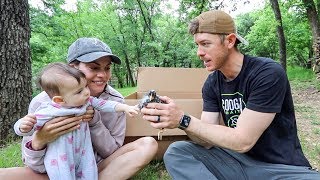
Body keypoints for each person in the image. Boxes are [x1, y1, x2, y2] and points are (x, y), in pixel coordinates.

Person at [141, 10, 320, 179]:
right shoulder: (212, 83)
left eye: (205, 44)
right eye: (197, 45)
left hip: (280, 169)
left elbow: (243, 141)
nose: (199, 53)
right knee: (177, 151)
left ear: (230, 41)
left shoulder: (267, 73)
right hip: (236, 163)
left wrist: (183, 119)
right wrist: (175, 120)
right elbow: (206, 141)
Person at [0, 37, 158, 180]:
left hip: (95, 168)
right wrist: (39, 140)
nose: (103, 75)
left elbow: (112, 152)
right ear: (73, 68)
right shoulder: (43, 102)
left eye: (107, 68)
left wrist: (94, 122)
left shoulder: (115, 100)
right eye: (94, 68)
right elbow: (33, 164)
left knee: (148, 145)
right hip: (55, 169)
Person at [13, 62, 140, 180]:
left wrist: (126, 108)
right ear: (59, 100)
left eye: (85, 87)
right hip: (61, 158)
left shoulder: (86, 102)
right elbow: (28, 127)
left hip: (85, 155)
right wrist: (24, 128)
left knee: (90, 174)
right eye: (94, 67)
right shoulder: (49, 110)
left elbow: (105, 104)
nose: (86, 93)